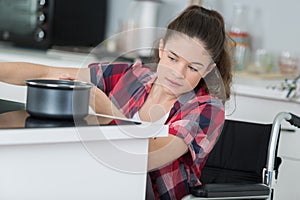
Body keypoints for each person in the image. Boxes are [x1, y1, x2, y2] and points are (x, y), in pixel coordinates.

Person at [0, 5, 232, 199]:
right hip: (98, 188)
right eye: (173, 58)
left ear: (209, 70)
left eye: (193, 67)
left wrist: (109, 112)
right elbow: (46, 73)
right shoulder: (133, 76)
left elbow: (142, 158)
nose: (178, 73)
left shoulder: (207, 109)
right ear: (162, 49)